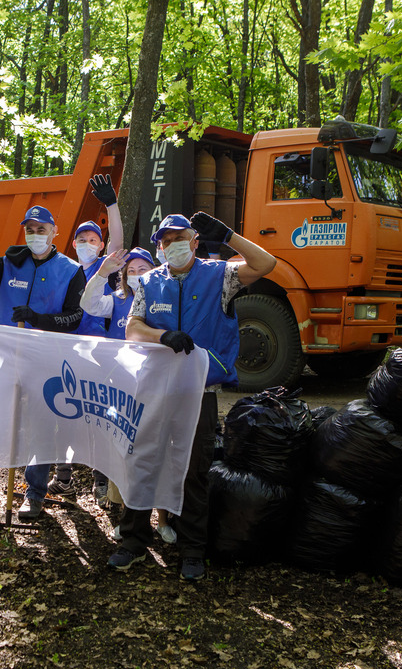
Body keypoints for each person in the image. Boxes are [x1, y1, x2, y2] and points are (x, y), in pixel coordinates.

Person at [110, 211, 277, 580]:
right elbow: (133, 329)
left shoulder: (221, 275)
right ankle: (134, 541)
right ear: (158, 247)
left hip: (199, 390)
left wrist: (230, 235)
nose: (172, 245)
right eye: (165, 240)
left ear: (195, 240)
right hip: (154, 387)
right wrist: (162, 336)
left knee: (194, 470)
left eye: (179, 237)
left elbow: (266, 263)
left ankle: (192, 549)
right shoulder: (150, 282)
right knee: (143, 462)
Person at [0, 197, 85, 520]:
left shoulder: (70, 270)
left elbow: (75, 317)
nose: (35, 234)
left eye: (41, 229)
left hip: (43, 359)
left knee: (40, 427)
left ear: (54, 232)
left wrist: (38, 318)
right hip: (1, 358)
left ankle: (34, 495)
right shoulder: (12, 262)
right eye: (30, 230)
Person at [80, 245, 177, 543]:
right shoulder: (117, 301)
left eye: (142, 270)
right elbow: (89, 303)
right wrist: (102, 271)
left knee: (159, 453)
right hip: (121, 392)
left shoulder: (165, 301)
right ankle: (127, 519)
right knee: (123, 454)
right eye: (131, 271)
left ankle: (162, 520)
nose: (136, 276)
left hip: (156, 388)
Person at [49, 174, 125, 504]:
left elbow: (118, 243)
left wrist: (112, 204)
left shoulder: (106, 271)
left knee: (101, 416)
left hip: (102, 356)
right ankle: (63, 479)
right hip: (68, 353)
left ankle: (100, 482)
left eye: (94, 239)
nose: (88, 243)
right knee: (66, 415)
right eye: (82, 239)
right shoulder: (66, 270)